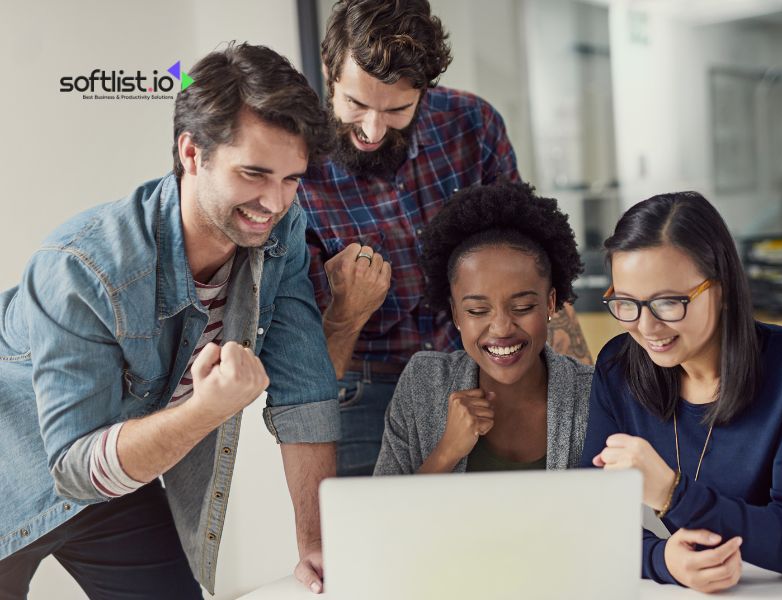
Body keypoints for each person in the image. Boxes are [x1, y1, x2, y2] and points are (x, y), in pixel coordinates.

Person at [0, 43, 339, 598]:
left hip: (113, 481)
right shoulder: (82, 268)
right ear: (192, 152)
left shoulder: (279, 231)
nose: (274, 202)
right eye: (254, 173)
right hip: (16, 474)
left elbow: (305, 388)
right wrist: (207, 410)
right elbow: (76, 465)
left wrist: (315, 541)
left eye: (291, 179)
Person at [298, 0, 592, 477]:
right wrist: (346, 311)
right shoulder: (297, 167)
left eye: (396, 109)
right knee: (372, 540)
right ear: (330, 71)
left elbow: (530, 255)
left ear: (424, 90)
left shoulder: (472, 125)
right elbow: (306, 358)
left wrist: (579, 389)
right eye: (356, 104)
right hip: (362, 385)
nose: (372, 129)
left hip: (476, 376)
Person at [580, 191, 782, 593]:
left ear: (723, 289)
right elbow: (591, 517)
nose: (646, 327)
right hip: (741, 589)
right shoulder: (618, 368)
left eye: (668, 302)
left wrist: (671, 493)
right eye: (627, 303)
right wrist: (662, 560)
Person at [374, 181, 592, 475]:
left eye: (523, 307)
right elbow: (387, 517)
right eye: (477, 310)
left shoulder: (593, 392)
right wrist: (446, 452)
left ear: (551, 303)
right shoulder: (423, 384)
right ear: (456, 313)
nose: (502, 328)